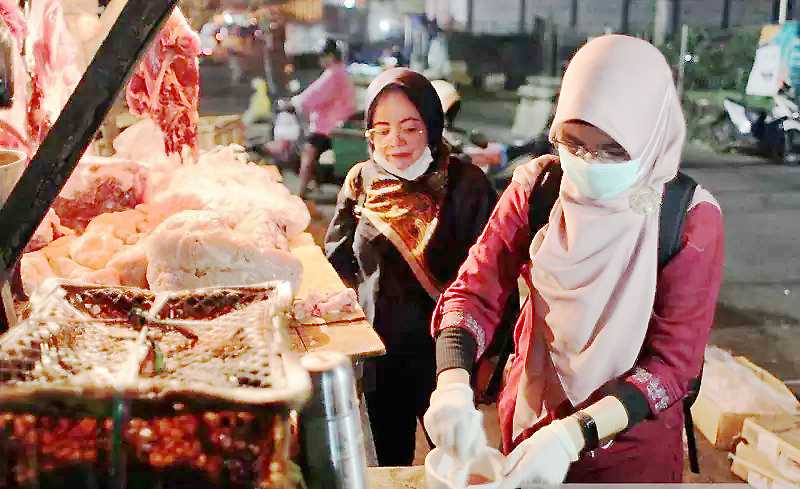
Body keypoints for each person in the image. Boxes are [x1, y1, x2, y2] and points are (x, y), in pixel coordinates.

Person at [423, 35, 724, 485]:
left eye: (612, 150)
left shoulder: (689, 219)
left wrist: (573, 435)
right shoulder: (539, 188)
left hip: (629, 449)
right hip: (530, 419)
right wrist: (450, 382)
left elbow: (673, 363)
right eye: (572, 142)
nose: (586, 164)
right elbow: (476, 289)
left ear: (650, 137)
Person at [324, 68, 498, 466]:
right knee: (391, 460)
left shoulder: (466, 184)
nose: (395, 142)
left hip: (449, 356)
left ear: (432, 126)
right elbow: (338, 255)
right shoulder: (361, 181)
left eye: (409, 128)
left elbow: (493, 273)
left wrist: (490, 355)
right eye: (381, 130)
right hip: (381, 354)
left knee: (456, 460)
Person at [289, 38, 356, 199]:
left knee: (308, 152)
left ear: (331, 56)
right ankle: (315, 185)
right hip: (337, 122)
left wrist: (295, 102)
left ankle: (300, 192)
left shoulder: (333, 74)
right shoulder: (340, 72)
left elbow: (315, 94)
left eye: (322, 56)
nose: (320, 60)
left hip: (328, 125)